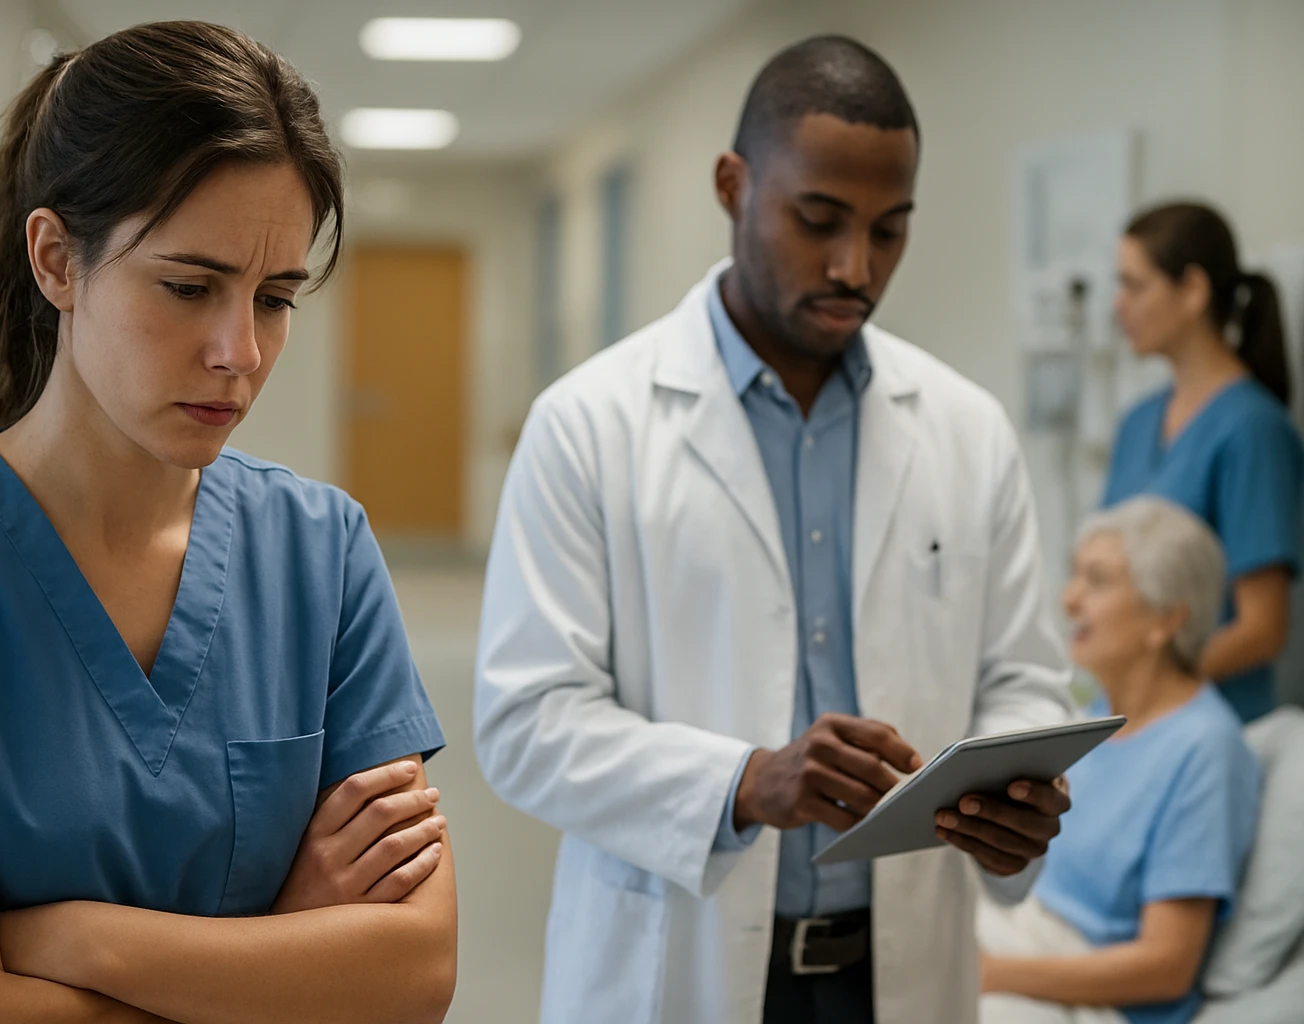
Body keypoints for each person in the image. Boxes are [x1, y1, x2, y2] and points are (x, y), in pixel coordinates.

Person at [0, 22, 456, 1024]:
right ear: (56, 260)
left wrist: (72, 938)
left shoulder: (321, 549)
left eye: (273, 299)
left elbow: (412, 975)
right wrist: (280, 957)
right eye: (189, 287)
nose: (239, 351)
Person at [475, 35, 1074, 1024]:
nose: (855, 266)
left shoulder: (967, 430)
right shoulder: (590, 423)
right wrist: (744, 781)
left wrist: (1010, 791)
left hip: (899, 970)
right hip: (681, 962)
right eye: (819, 220)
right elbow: (525, 721)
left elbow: (1022, 678)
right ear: (733, 185)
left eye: (890, 231)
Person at [978, 497, 1261, 1024]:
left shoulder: (1206, 749)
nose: (1069, 600)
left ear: (1165, 618)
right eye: (1074, 576)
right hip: (1026, 934)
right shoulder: (1095, 718)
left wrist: (993, 972)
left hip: (1097, 996)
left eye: (1097, 580)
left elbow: (1166, 967)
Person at [1104, 201, 1304, 723]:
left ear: (1192, 290)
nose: (1117, 304)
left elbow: (1263, 630)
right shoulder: (1136, 424)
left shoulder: (1252, 429)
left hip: (1211, 725)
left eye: (1135, 286)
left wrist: (1154, 687)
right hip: (1133, 719)